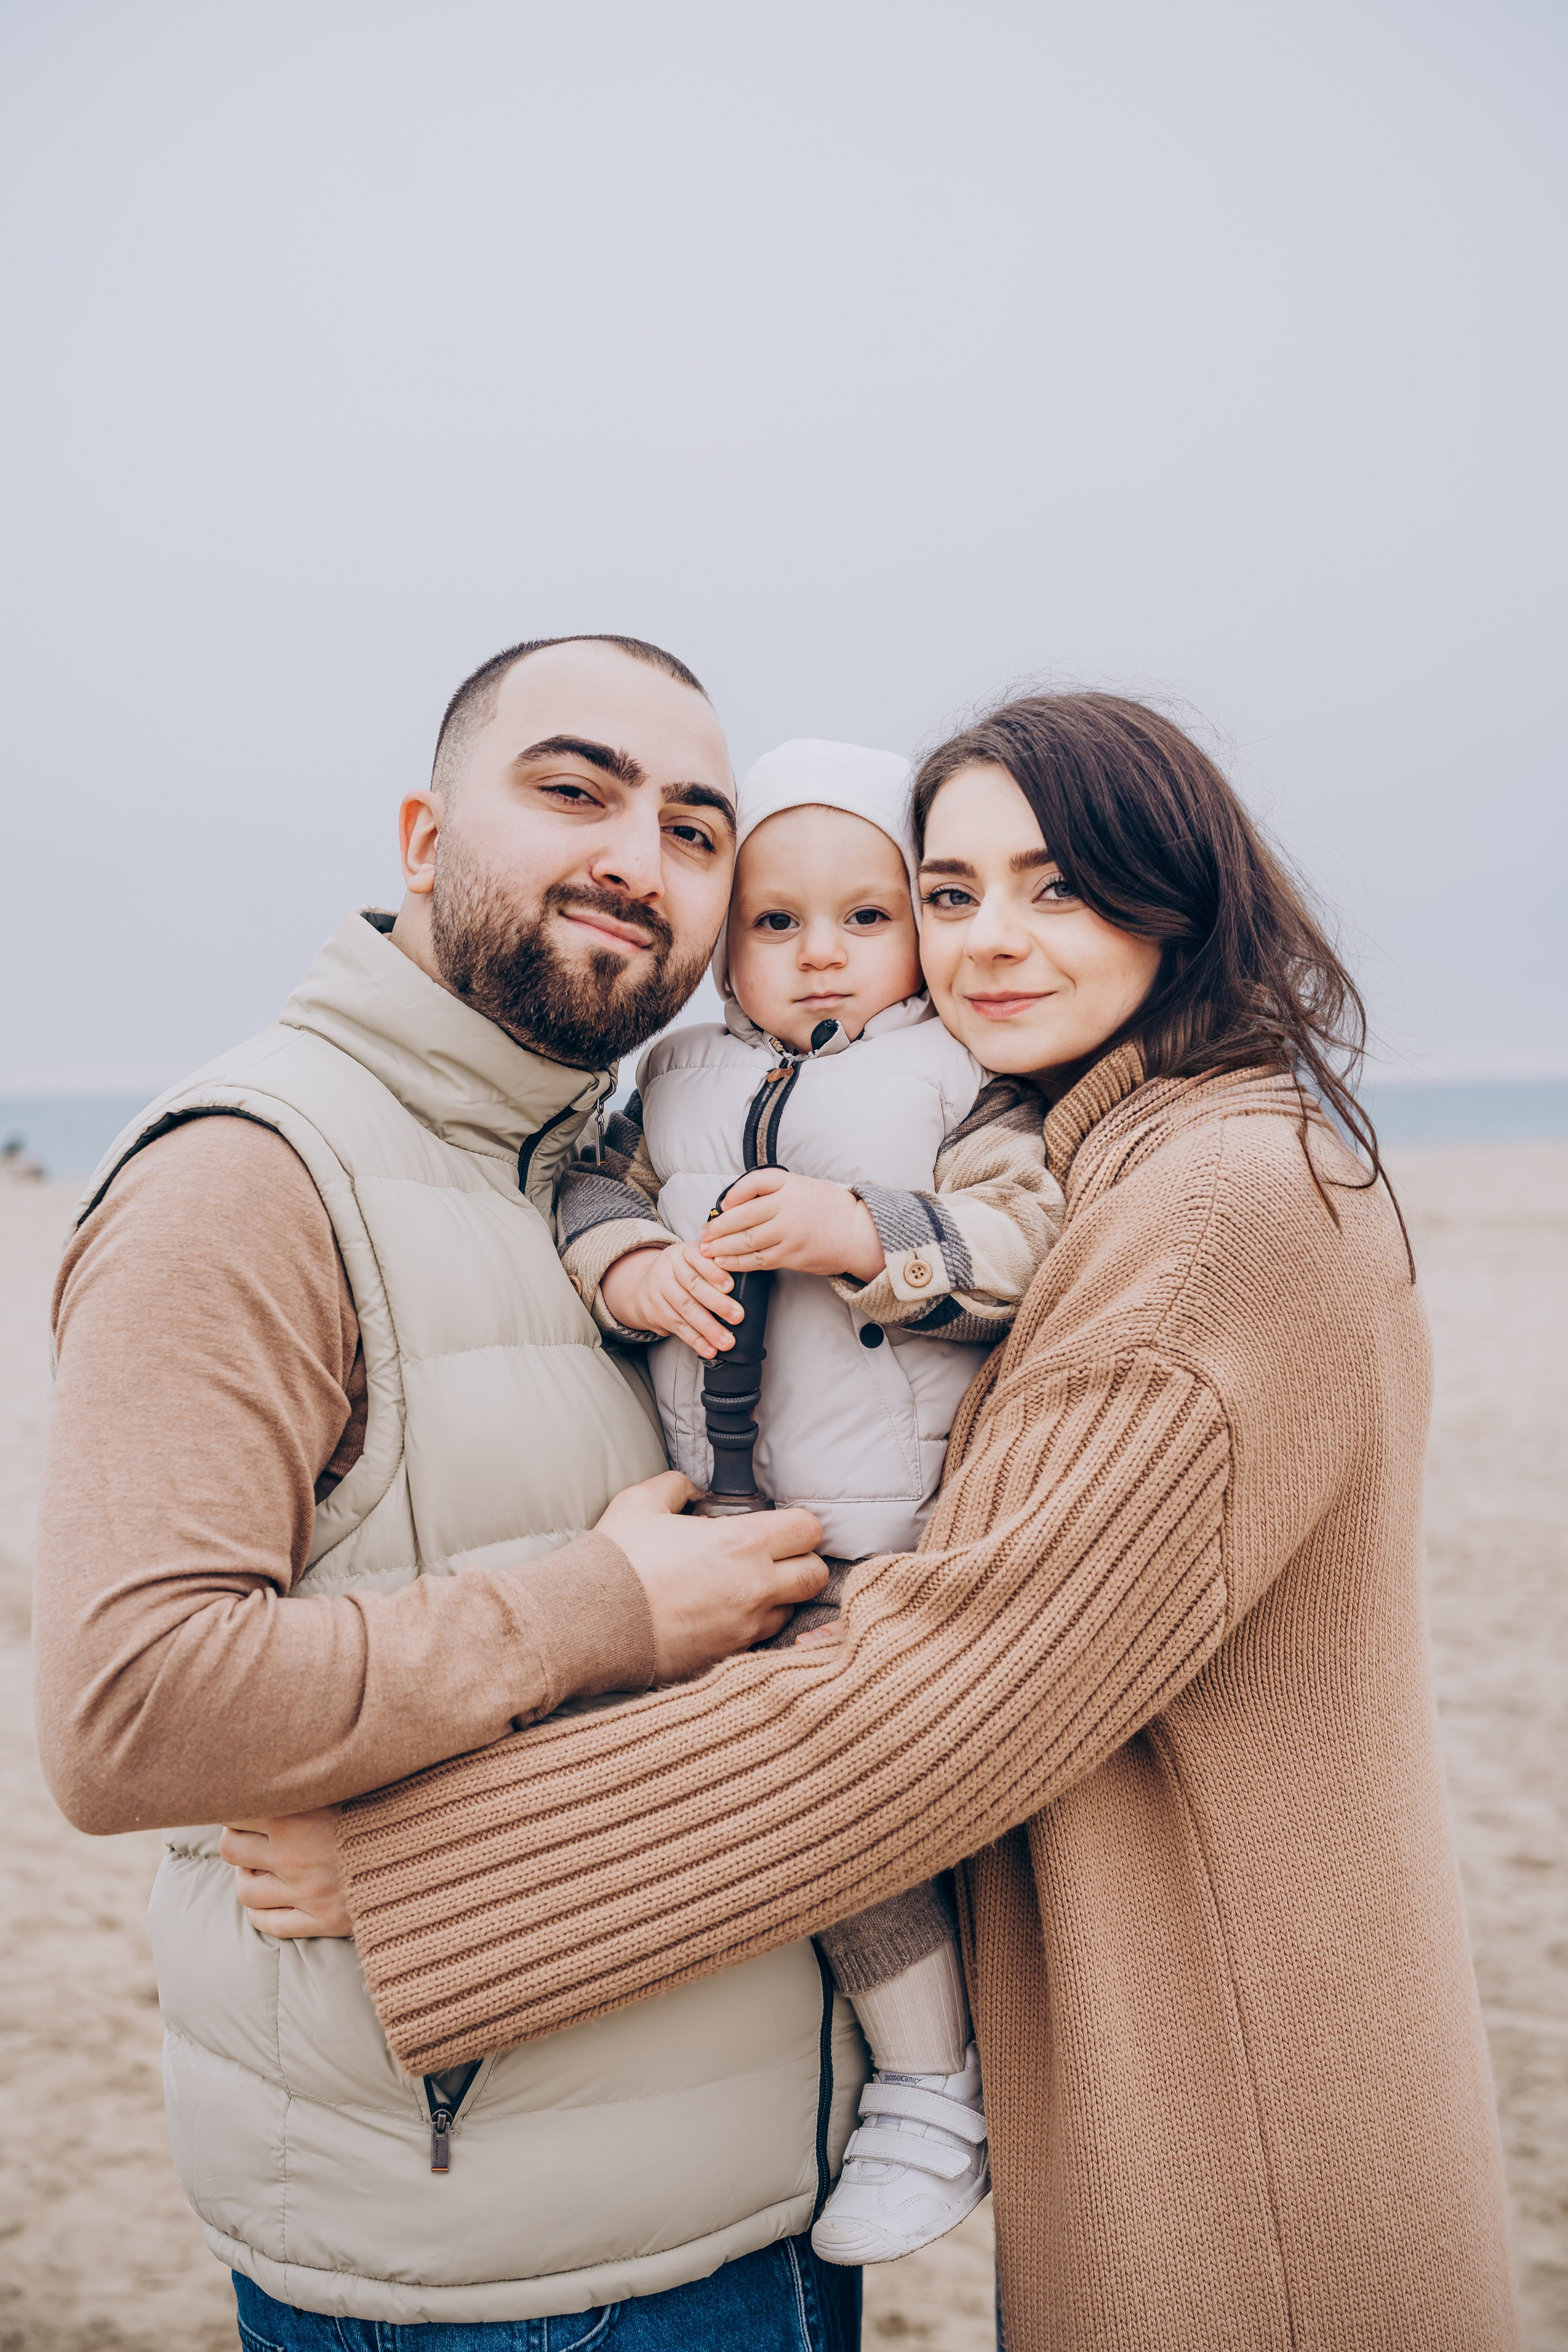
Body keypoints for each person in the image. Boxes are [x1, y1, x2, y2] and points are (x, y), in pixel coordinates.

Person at [243, 691, 1522, 2349]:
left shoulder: (1214, 1213)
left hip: (1233, 2099)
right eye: (953, 889)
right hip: (1161, 2031)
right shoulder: (1149, 1158)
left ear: (1185, 900)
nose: (989, 939)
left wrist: (419, 1871)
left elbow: (939, 1698)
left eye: (1059, 888)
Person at [33, 633, 865, 2351]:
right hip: (495, 2287)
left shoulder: (618, 1175)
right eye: (574, 791)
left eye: (699, 832)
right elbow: (125, 1714)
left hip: (769, 2205)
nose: (640, 859)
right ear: (423, 836)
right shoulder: (248, 1179)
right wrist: (600, 1609)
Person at [557, 737, 1063, 2264]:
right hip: (715, 1522)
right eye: (775, 923)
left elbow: (1027, 1239)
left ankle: (929, 2087)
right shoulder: (673, 1077)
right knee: (700, 1793)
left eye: (865, 915)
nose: (818, 953)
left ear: (916, 931)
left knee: (838, 1811)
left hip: (879, 1532)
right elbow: (588, 1192)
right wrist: (632, 1265)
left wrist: (865, 1231)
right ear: (724, 944)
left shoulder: (955, 1079)